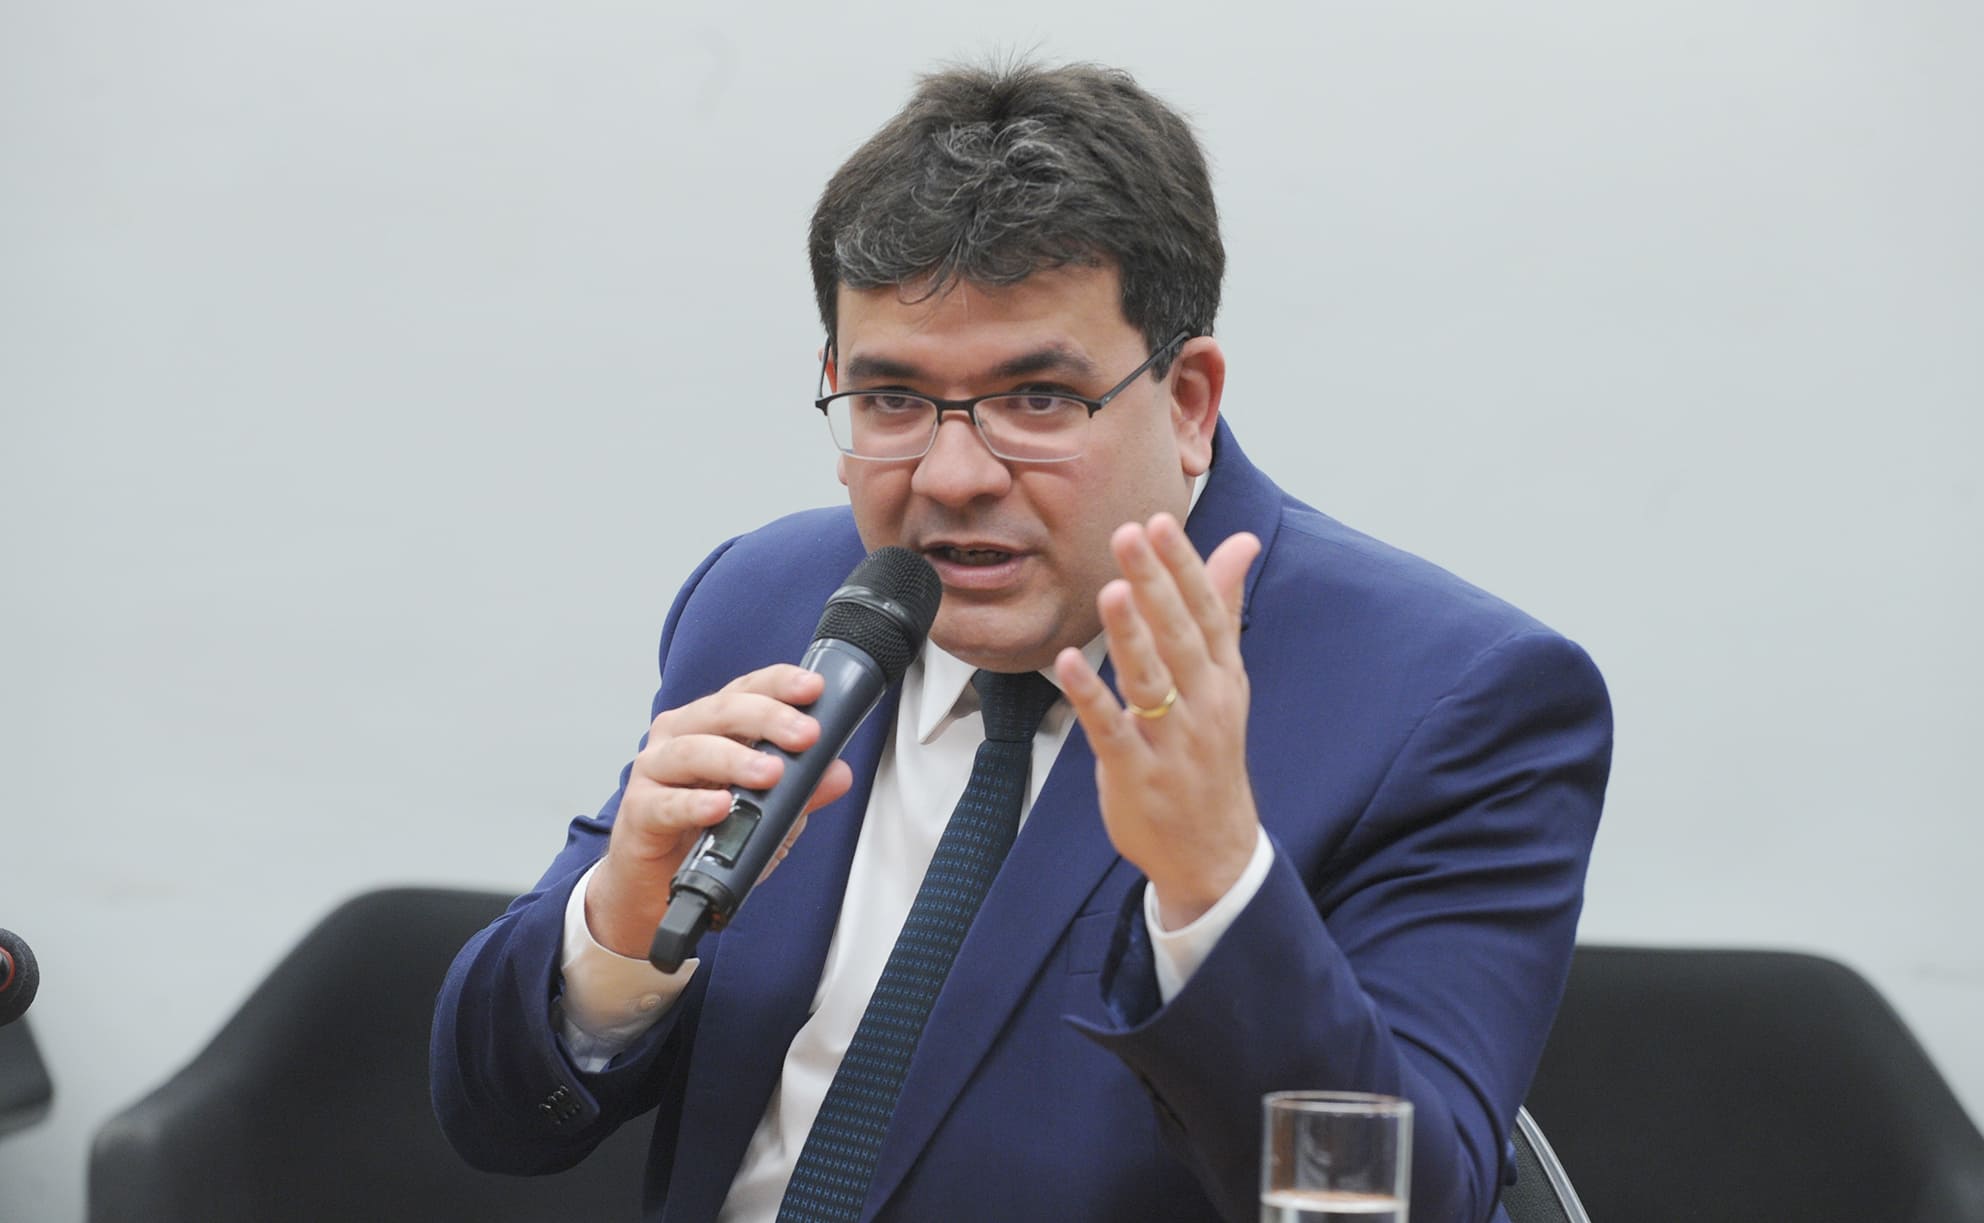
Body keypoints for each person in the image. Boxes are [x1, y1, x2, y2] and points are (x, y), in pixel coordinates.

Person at [430, 60, 1612, 1223]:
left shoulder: (1453, 700)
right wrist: (616, 922)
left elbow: (1385, 1208)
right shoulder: (765, 596)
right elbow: (499, 1117)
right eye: (893, 402)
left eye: (1037, 400)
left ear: (1189, 398)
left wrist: (1212, 889)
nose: (951, 475)